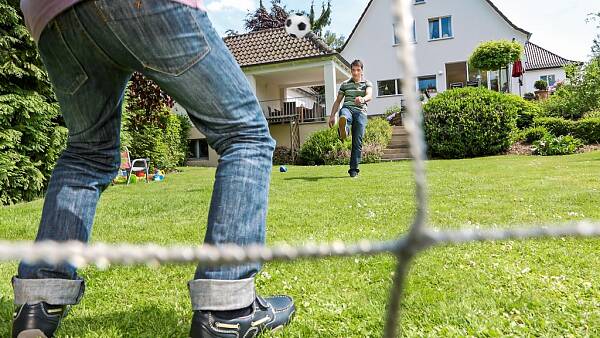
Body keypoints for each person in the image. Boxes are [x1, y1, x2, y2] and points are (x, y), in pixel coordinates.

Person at [12, 1, 295, 337]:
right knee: (245, 134)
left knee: (86, 154)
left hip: (50, 15)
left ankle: (39, 302)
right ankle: (228, 308)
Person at [328, 60, 373, 178]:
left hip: (360, 112)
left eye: (358, 70)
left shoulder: (367, 83)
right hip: (347, 108)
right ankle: (344, 130)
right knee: (344, 115)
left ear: (362, 71)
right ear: (351, 70)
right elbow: (338, 101)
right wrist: (332, 116)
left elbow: (369, 95)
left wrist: (362, 99)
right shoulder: (345, 84)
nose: (355, 72)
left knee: (357, 143)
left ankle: (353, 170)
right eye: (353, 70)